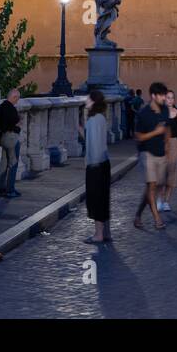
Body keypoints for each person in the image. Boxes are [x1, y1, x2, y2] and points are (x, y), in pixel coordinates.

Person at [132, 83, 169, 230]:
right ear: (153, 96)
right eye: (162, 95)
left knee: (154, 187)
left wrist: (167, 145)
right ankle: (157, 219)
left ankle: (138, 214)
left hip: (160, 152)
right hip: (146, 152)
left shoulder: (165, 109)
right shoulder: (143, 113)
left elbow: (166, 128)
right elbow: (138, 137)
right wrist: (155, 132)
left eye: (165, 95)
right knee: (152, 185)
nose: (164, 98)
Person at [79, 88, 112, 244]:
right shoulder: (101, 118)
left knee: (95, 200)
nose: (85, 100)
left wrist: (91, 164)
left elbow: (93, 146)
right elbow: (93, 139)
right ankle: (105, 233)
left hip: (95, 165)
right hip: (104, 163)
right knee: (103, 199)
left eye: (87, 98)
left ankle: (98, 235)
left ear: (93, 101)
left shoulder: (93, 120)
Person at [0, 87, 22, 197]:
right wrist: (18, 124)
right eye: (17, 98)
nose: (17, 101)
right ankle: (10, 190)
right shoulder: (11, 109)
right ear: (13, 97)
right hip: (11, 138)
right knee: (13, 164)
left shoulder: (0, 107)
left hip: (3, 138)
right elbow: (15, 123)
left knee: (3, 163)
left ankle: (0, 188)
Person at [160, 89, 177, 213]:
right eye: (168, 97)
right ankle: (160, 198)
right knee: (161, 173)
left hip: (174, 144)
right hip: (162, 145)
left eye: (172, 98)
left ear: (174, 99)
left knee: (171, 173)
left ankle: (167, 201)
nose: (170, 100)